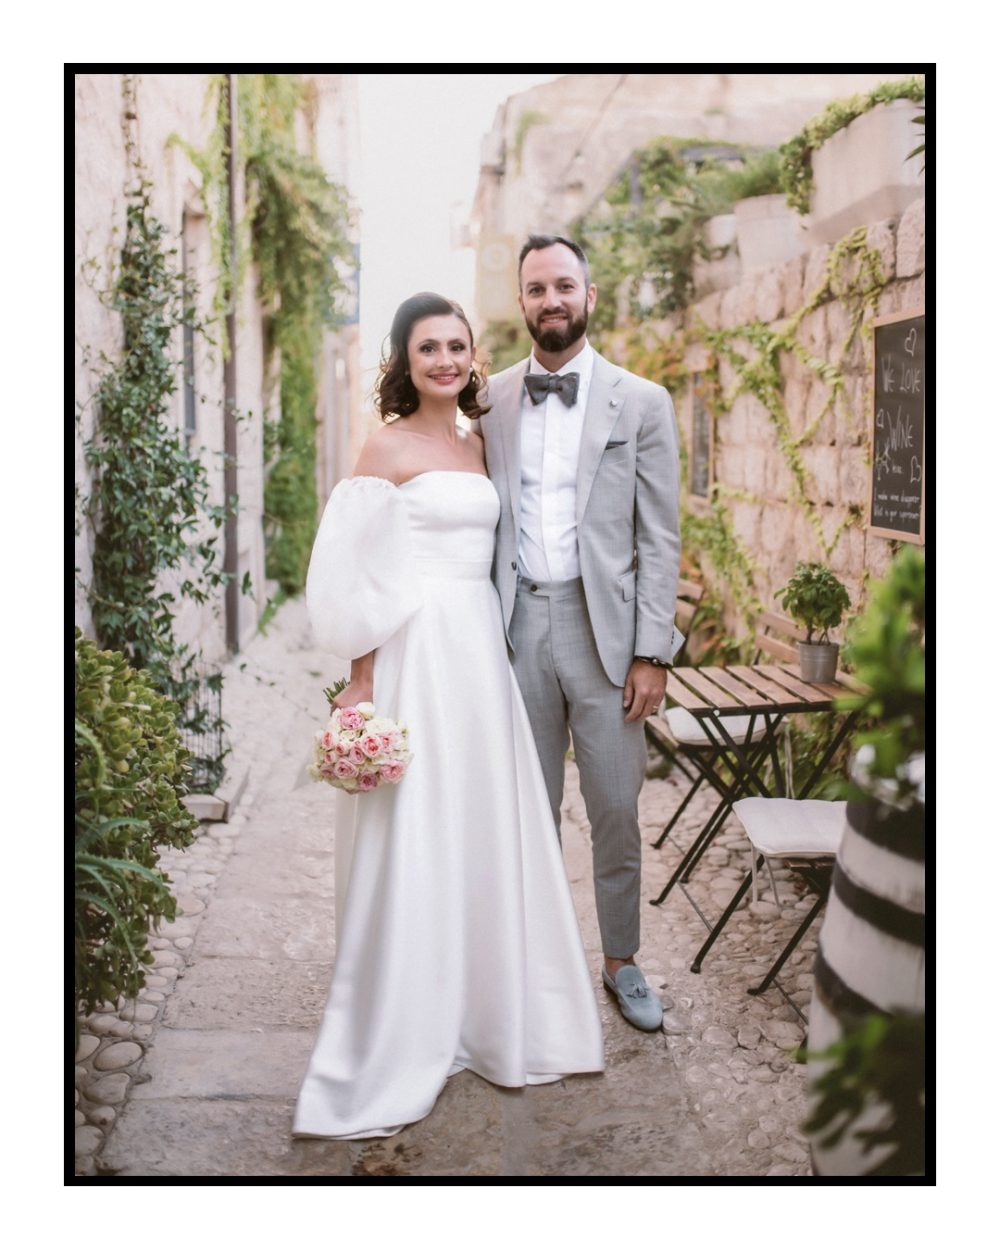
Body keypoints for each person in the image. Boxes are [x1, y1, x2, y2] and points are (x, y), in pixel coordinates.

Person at [292, 292, 603, 1140]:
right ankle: (406, 1016)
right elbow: (352, 567)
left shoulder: (477, 444)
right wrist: (361, 676)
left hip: (478, 652)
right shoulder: (384, 447)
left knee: (481, 822)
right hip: (416, 649)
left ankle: (492, 1010)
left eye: (456, 345)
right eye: (427, 346)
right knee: (417, 826)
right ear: (404, 358)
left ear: (472, 356)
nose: (444, 359)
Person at [471, 235, 682, 1032]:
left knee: (616, 806)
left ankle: (622, 961)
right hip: (516, 625)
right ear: (521, 302)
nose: (550, 300)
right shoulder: (486, 400)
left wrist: (652, 649)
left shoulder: (645, 402)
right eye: (536, 288)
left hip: (608, 634)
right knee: (524, 806)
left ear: (590, 295)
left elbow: (659, 535)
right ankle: (530, 963)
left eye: (564, 285)